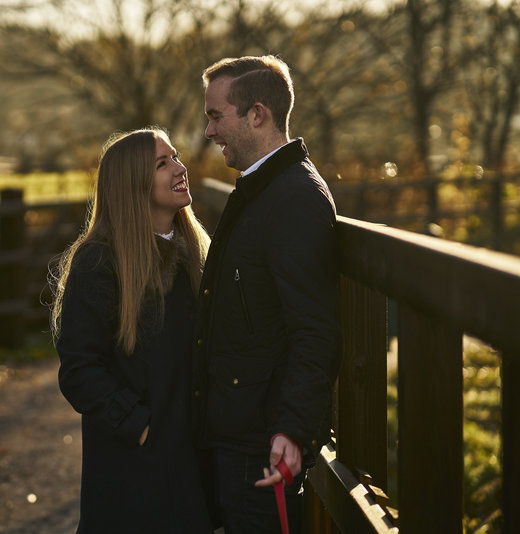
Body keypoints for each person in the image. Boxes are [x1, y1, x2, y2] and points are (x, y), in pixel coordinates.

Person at [191, 55, 343, 533]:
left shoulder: (294, 198)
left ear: (257, 114)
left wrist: (291, 431)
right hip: (241, 430)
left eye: (217, 116)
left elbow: (314, 329)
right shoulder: (262, 187)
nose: (210, 131)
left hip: (262, 445)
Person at [51, 127, 214, 533]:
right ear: (132, 183)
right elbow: (80, 370)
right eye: (162, 163)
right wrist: (138, 426)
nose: (180, 168)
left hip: (191, 459)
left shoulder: (198, 252)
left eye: (176, 157)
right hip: (132, 470)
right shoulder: (99, 262)